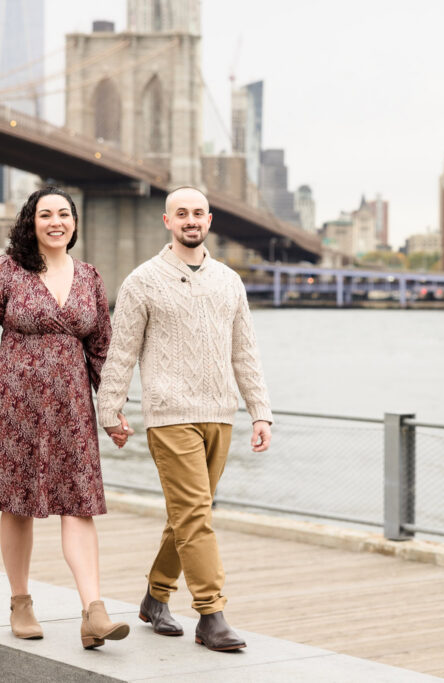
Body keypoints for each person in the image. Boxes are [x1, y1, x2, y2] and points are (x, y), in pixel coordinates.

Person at [0, 186, 129, 650]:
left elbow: (102, 349)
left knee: (80, 503)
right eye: (45, 214)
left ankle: (94, 611)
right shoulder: (5, 272)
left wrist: (111, 411)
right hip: (15, 404)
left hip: (72, 408)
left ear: (74, 223)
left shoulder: (89, 277)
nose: (55, 222)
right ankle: (21, 601)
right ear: (31, 222)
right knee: (17, 504)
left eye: (63, 214)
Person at [97, 186, 272, 652]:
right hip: (170, 415)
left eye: (198, 213)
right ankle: (210, 614)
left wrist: (261, 412)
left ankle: (156, 599)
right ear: (166, 221)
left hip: (221, 412)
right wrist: (108, 409)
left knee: (189, 516)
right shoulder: (141, 281)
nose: (190, 220)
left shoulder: (229, 281)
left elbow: (245, 351)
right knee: (195, 513)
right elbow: (122, 351)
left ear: (209, 220)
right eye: (181, 214)